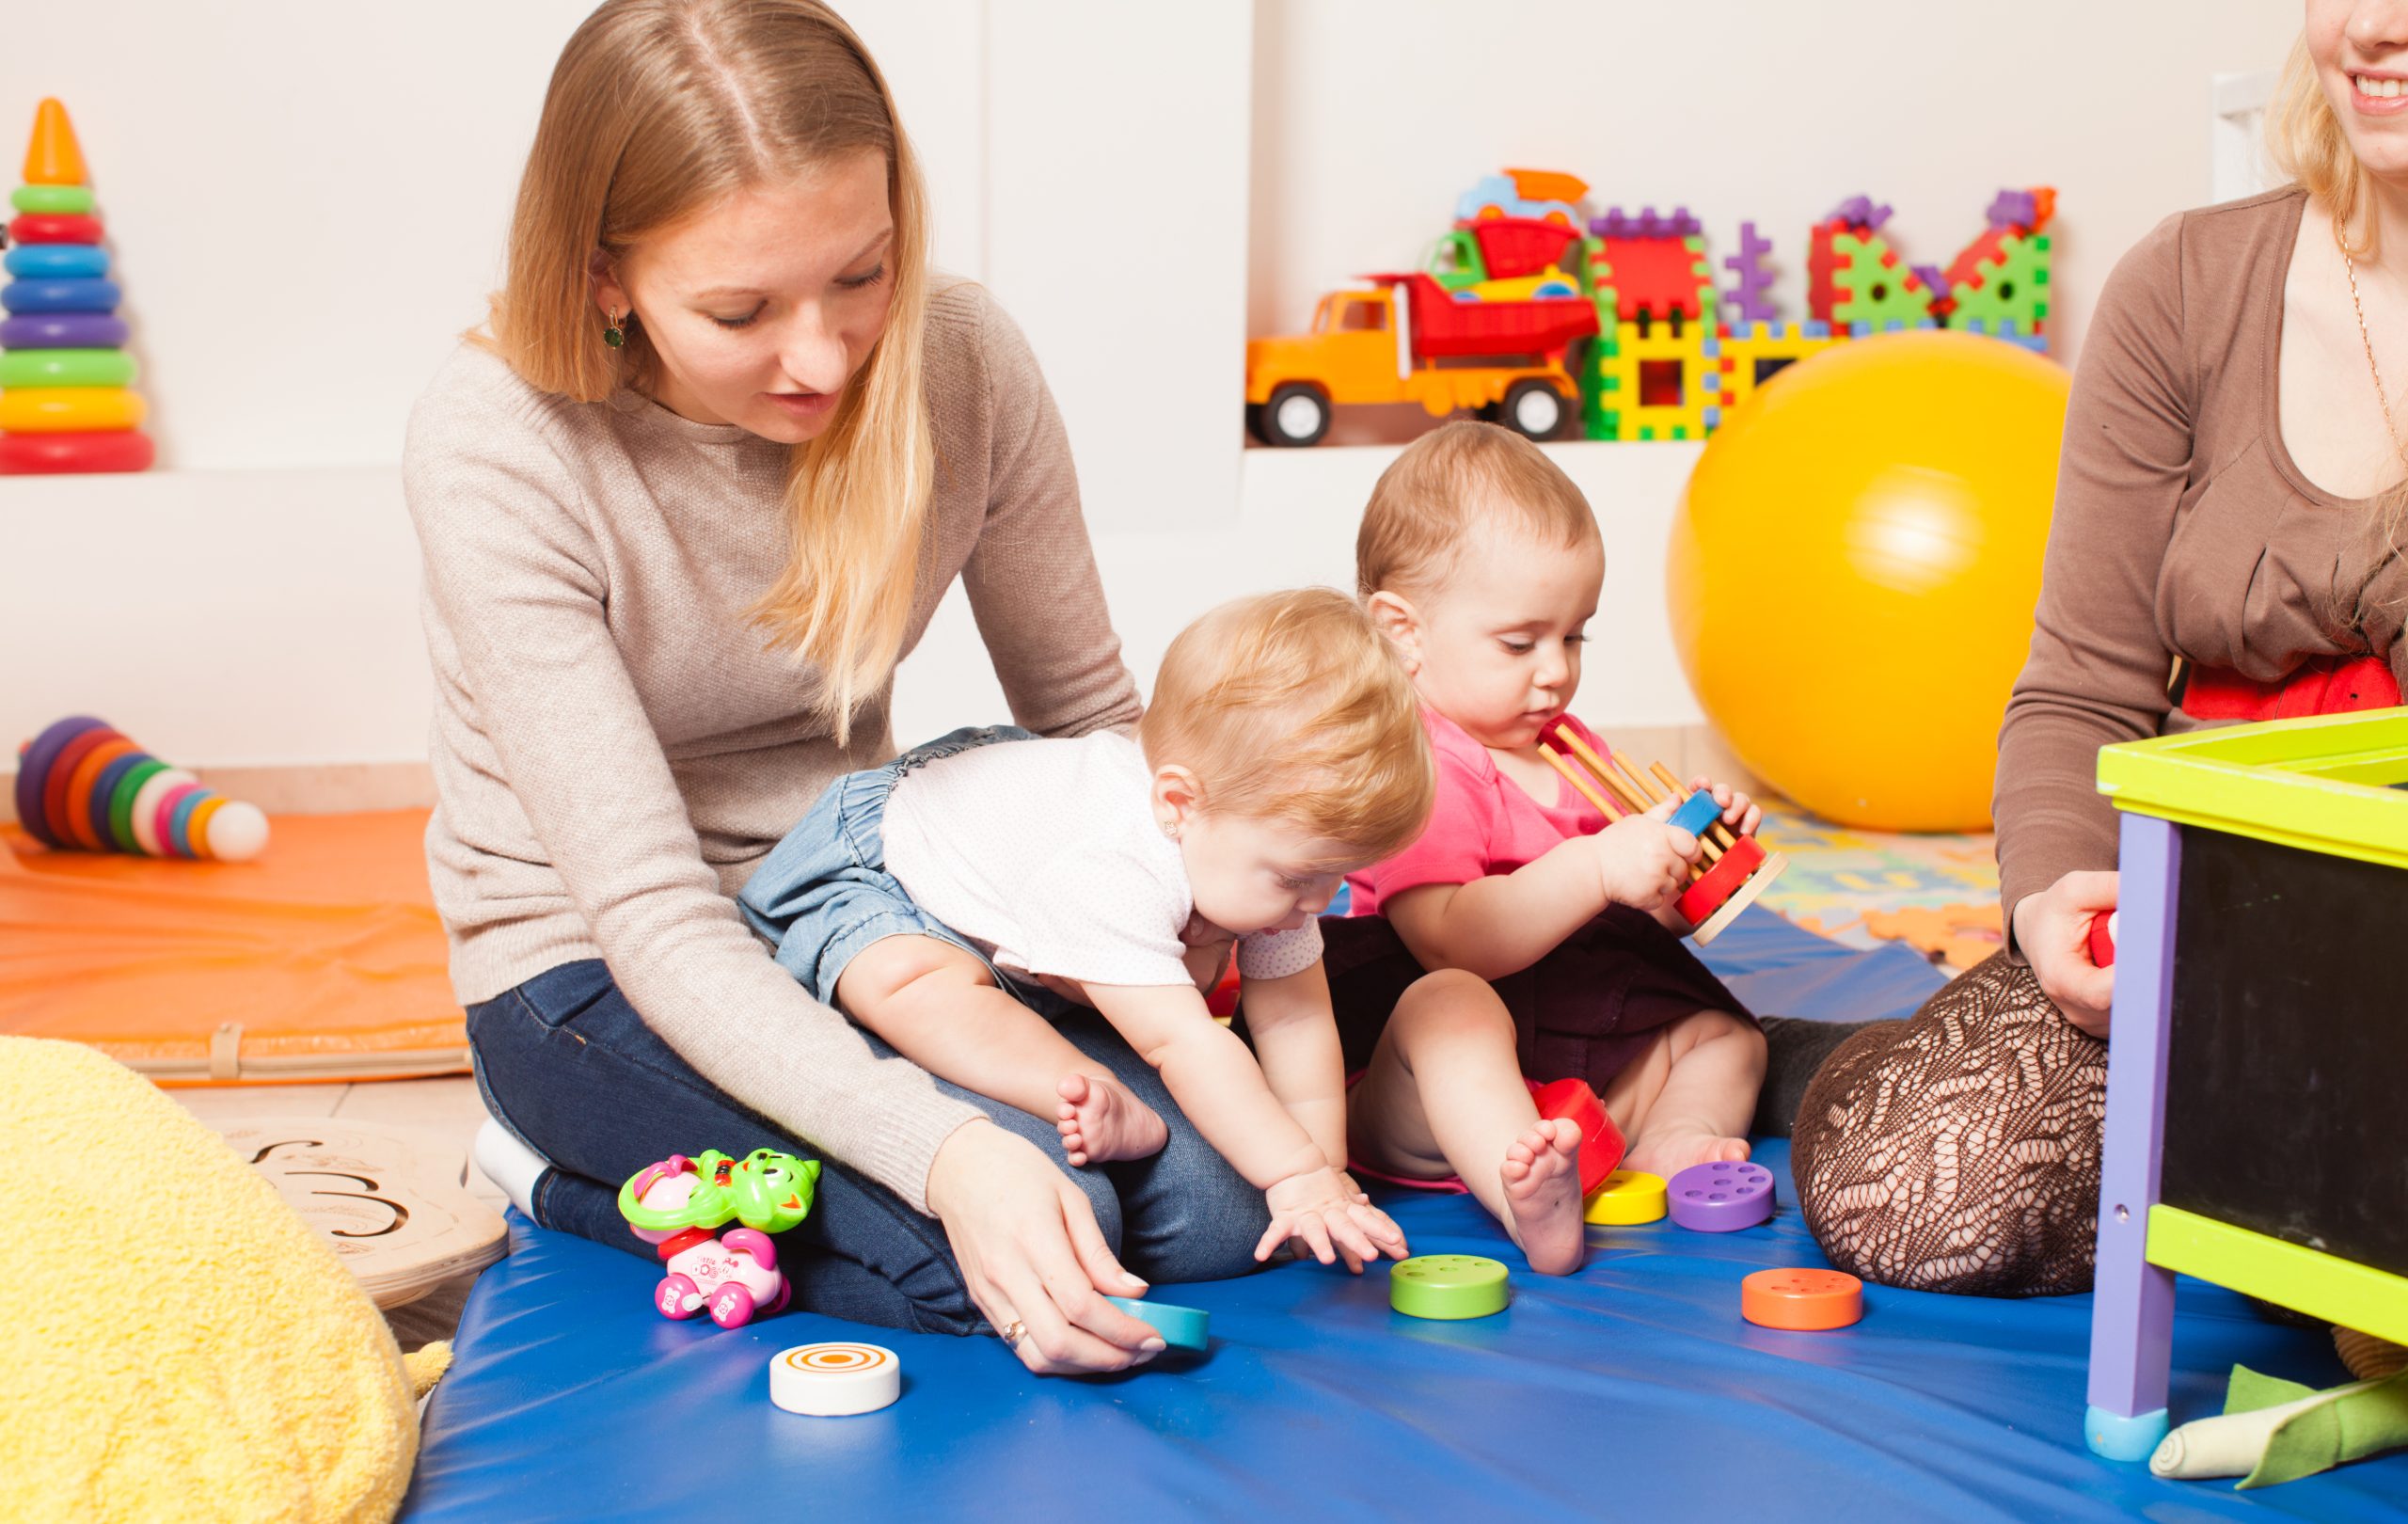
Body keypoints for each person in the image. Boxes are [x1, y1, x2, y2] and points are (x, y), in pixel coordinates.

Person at [404, 0, 1267, 1375]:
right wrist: (941, 1151)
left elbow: (1090, 714)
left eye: (860, 278)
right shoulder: (500, 442)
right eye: (739, 310)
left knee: (1219, 1203)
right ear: (603, 277)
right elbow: (650, 913)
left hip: (854, 902)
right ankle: (552, 1171)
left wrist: (1188, 905)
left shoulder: (962, 360)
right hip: (588, 965)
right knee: (997, 1251)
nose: (821, 360)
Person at [1791, 1, 2408, 1296]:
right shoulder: (2185, 287)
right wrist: (2056, 896)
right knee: (1904, 1189)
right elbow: (2079, 688)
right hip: (2211, 925)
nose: (2372, 24)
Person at [738, 589, 1423, 1272]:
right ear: (1179, 804)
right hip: (888, 879)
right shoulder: (1113, 866)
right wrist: (1290, 1172)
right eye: (1298, 878)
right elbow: (1181, 1044)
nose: (1319, 901)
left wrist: (1324, 1175)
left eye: (1339, 875)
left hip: (1026, 931)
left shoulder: (1274, 868)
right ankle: (1077, 1084)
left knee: (1237, 1202)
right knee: (907, 982)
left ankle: (1088, 1074)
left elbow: (1298, 1025)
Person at [1327, 421, 1766, 1275]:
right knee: (1446, 1004)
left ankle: (1672, 1137)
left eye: (1575, 637)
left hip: (1575, 1052)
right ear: (1402, 632)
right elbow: (1448, 938)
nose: (1556, 670)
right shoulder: (1416, 762)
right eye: (1520, 642)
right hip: (1424, 1089)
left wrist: (1685, 864)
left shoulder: (1570, 746)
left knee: (1729, 1036)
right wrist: (1597, 866)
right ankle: (1521, 1189)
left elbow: (1639, 924)